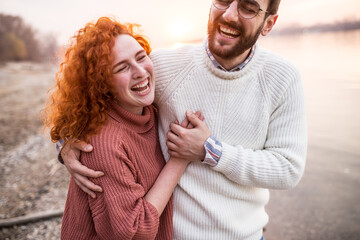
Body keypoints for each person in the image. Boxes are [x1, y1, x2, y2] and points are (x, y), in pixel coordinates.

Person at [59, 0, 308, 239]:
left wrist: (211, 151)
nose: (230, 14)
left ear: (268, 23)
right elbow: (92, 92)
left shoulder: (283, 78)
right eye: (223, 0)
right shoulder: (163, 66)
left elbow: (288, 169)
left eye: (249, 7)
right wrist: (67, 143)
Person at [42, 17, 197, 239]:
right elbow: (135, 231)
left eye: (141, 57)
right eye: (122, 67)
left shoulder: (148, 111)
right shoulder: (103, 143)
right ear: (102, 83)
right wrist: (180, 160)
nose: (140, 72)